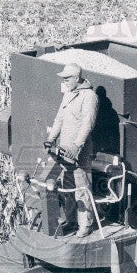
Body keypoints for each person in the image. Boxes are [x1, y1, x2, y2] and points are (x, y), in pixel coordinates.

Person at [44, 63, 99, 238]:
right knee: (67, 187)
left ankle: (86, 224)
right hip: (64, 150)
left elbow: (87, 123)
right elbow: (59, 119)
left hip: (78, 152)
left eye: (67, 78)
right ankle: (71, 220)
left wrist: (77, 146)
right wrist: (51, 139)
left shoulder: (89, 96)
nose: (64, 81)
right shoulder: (68, 95)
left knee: (82, 188)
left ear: (77, 78)